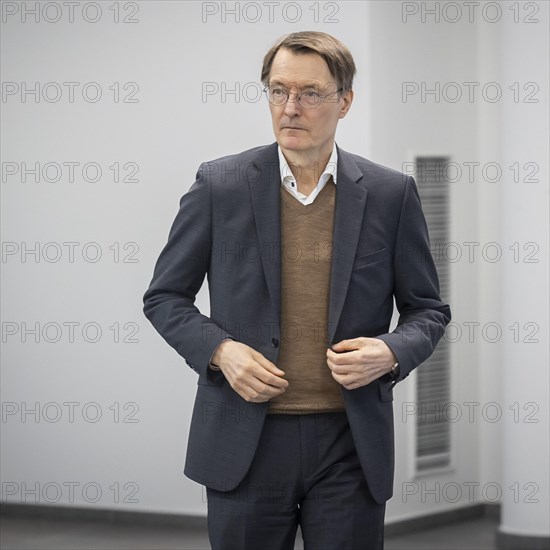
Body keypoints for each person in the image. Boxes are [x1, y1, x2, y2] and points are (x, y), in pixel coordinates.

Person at [143, 31, 451, 550]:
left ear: (344, 101)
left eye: (310, 93)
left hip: (349, 442)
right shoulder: (220, 185)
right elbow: (164, 297)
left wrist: (391, 351)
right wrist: (220, 351)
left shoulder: (390, 194)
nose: (290, 108)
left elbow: (427, 311)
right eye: (278, 90)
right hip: (247, 440)